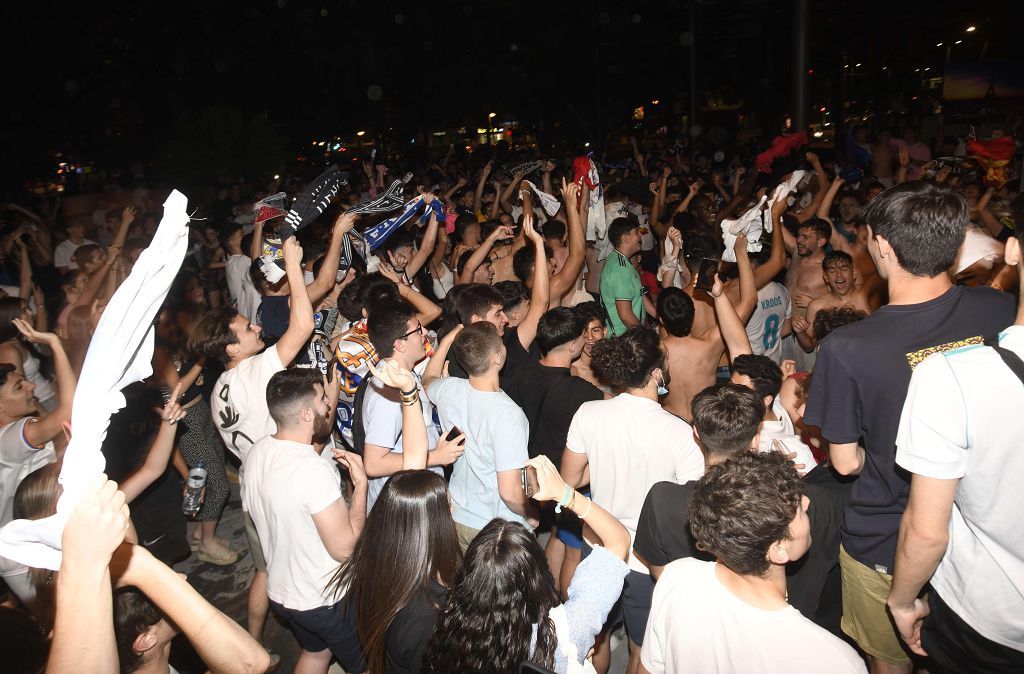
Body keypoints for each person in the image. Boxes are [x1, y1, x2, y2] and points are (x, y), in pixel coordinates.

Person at [804, 181, 1014, 673]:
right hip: (980, 534)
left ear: (881, 245)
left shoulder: (849, 347)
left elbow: (847, 463)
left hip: (888, 539)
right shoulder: (1000, 309)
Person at [885, 227, 1024, 671]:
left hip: (988, 623)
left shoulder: (955, 376)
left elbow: (927, 532)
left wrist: (903, 601)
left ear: (1014, 249)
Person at [188, 235, 319, 663]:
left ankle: (253, 643)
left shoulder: (219, 388)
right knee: (310, 569)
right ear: (231, 348)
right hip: (286, 486)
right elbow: (302, 326)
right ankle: (318, 645)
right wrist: (295, 268)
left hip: (253, 488)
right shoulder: (255, 370)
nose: (257, 327)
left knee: (264, 570)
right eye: (248, 328)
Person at [638, 452, 866, 674]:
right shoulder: (833, 660)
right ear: (778, 550)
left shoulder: (677, 579)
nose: (806, 502)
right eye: (796, 508)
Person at [560, 326, 705, 673]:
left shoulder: (589, 413)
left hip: (597, 548)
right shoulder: (681, 434)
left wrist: (609, 462)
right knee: (641, 653)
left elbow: (570, 481)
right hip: (646, 562)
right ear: (656, 373)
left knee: (596, 641)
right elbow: (692, 508)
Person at [422, 454, 632, 674]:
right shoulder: (564, 635)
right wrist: (564, 492)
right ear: (537, 576)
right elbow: (619, 540)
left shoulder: (448, 628)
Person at [243, 367, 368, 674]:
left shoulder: (259, 452)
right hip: (326, 599)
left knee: (316, 654)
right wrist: (361, 486)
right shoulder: (313, 470)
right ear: (306, 415)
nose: (329, 404)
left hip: (284, 593)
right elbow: (346, 550)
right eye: (324, 398)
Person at [634, 383, 764, 579]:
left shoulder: (662, 499)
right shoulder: (772, 502)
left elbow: (658, 571)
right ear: (756, 440)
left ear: (695, 432)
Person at [423, 322, 535, 550]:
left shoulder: (449, 389)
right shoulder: (509, 415)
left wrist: (444, 342)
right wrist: (531, 514)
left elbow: (427, 379)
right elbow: (510, 492)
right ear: (497, 358)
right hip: (495, 530)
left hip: (456, 516)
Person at [0, 319, 75, 612]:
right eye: (20, 387)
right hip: (23, 555)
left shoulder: (21, 425)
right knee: (57, 622)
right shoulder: (10, 438)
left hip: (44, 534)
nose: (32, 385)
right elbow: (68, 409)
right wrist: (55, 343)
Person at [361, 298, 463, 510]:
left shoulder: (402, 373)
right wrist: (435, 456)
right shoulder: (388, 396)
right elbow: (374, 463)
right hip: (401, 511)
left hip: (417, 495)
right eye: (417, 330)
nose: (425, 332)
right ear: (399, 344)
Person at [659, 235, 756, 421]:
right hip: (704, 420)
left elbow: (666, 288)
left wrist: (675, 249)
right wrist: (741, 252)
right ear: (692, 314)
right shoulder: (710, 344)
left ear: (662, 320)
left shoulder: (655, 351)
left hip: (671, 425)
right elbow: (749, 301)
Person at [793, 251, 873, 353]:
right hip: (831, 364)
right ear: (826, 277)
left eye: (844, 269)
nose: (839, 275)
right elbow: (809, 347)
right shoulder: (816, 307)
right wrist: (800, 333)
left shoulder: (866, 296)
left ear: (853, 274)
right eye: (832, 271)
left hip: (864, 360)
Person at [600, 216, 654, 336]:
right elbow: (626, 316)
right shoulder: (620, 269)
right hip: (622, 337)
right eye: (636, 232)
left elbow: (638, 294)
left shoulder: (622, 261)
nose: (640, 236)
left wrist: (657, 315)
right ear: (625, 238)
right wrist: (645, 338)